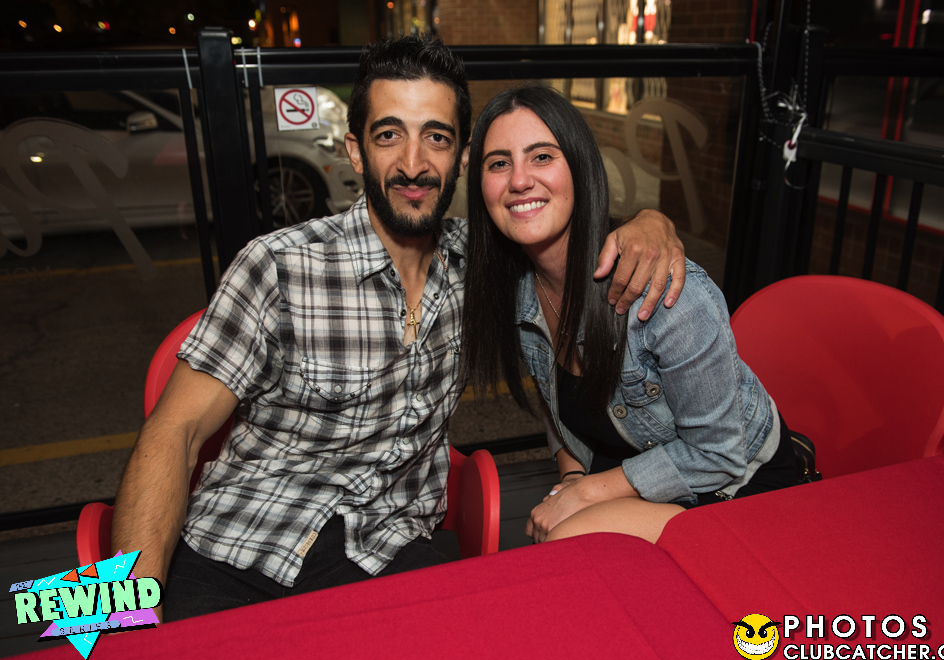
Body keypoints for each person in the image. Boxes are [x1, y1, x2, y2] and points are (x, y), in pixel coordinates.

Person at [111, 36, 688, 621]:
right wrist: (127, 612)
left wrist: (652, 220)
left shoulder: (484, 266)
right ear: (356, 152)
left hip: (386, 551)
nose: (414, 165)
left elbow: (565, 238)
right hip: (239, 546)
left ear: (463, 157)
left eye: (436, 137)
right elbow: (174, 432)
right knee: (108, 643)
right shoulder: (278, 265)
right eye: (389, 135)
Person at [462, 85, 802, 545]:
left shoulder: (662, 291)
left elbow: (719, 456)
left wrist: (586, 495)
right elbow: (555, 409)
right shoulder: (520, 287)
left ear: (580, 167)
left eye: (542, 157)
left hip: (737, 485)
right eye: (499, 163)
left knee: (567, 537)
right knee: (558, 536)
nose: (519, 180)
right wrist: (571, 478)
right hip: (631, 467)